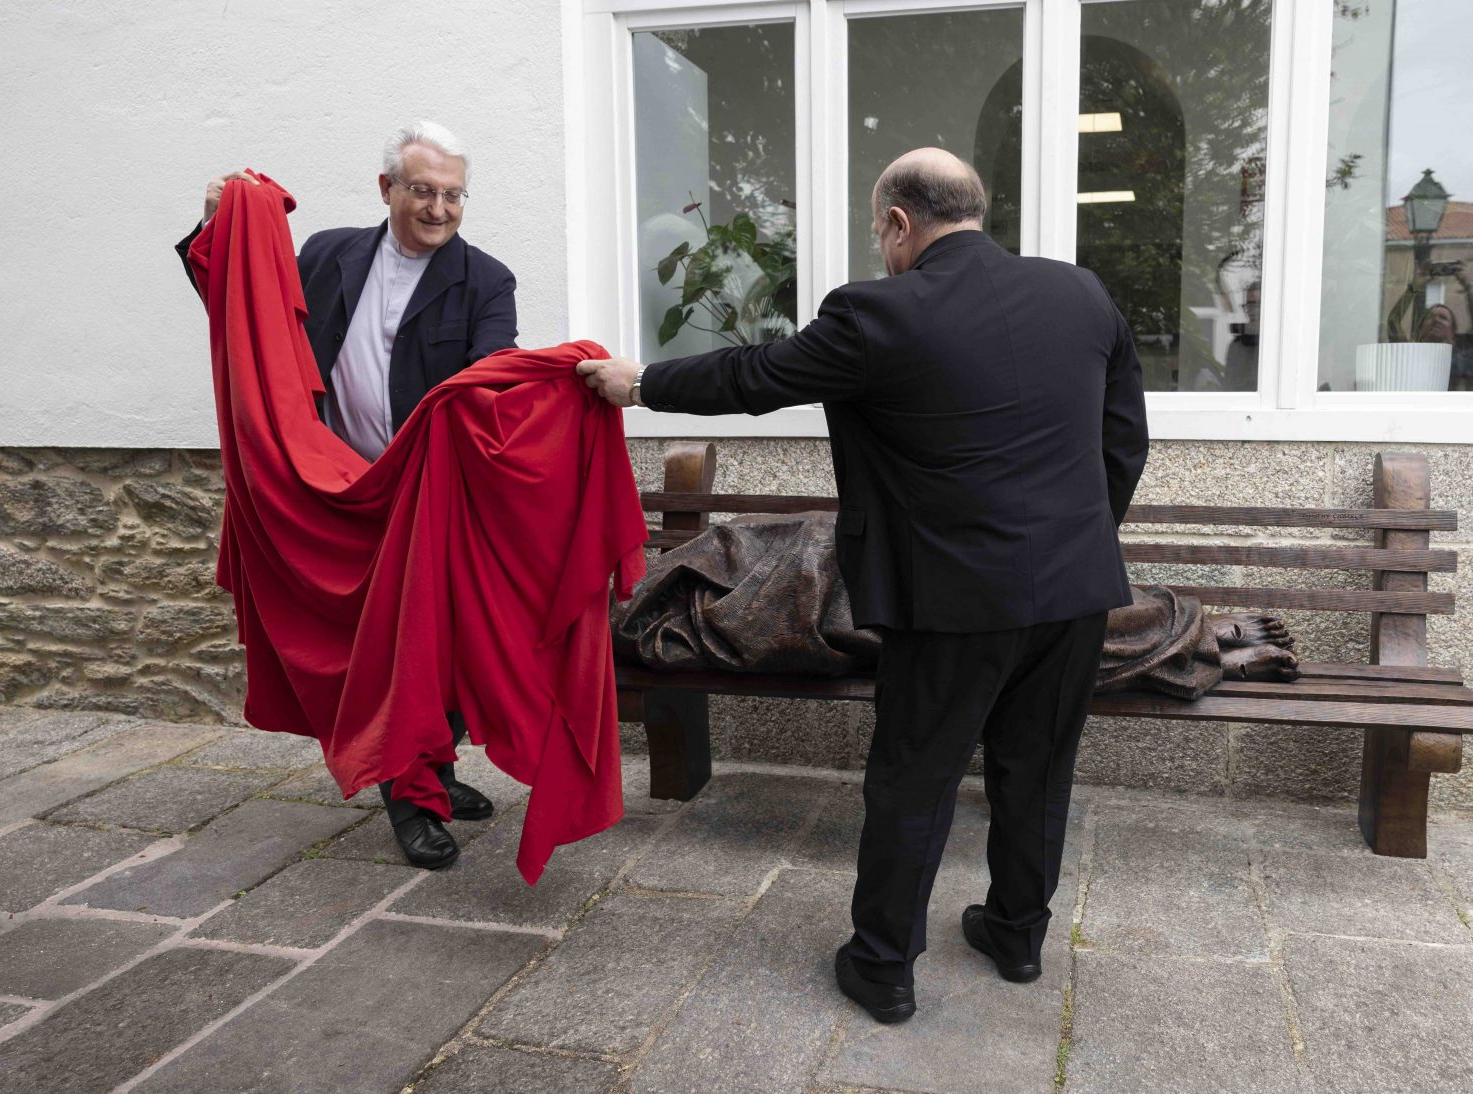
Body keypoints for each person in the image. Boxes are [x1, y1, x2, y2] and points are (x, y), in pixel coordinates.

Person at [578, 148, 1148, 1022]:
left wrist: (641, 383)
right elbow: (1123, 442)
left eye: (881, 231)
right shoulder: (1082, 294)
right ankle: (1017, 937)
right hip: (1076, 590)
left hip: (951, 603)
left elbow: (754, 375)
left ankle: (883, 968)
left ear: (899, 223)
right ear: (974, 208)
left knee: (914, 779)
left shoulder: (877, 311)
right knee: (1037, 771)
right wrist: (1079, 542)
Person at [177, 121, 520, 870]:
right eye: (423, 190)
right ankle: (411, 796)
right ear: (386, 188)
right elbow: (247, 313)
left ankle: (432, 770)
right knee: (384, 654)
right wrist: (218, 227)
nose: (439, 208)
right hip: (332, 491)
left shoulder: (487, 280)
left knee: (447, 646)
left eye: (454, 195)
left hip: (429, 496)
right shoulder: (327, 253)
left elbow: (496, 369)